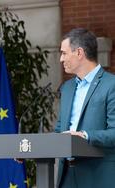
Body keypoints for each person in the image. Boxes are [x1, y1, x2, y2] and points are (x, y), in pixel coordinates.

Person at [55, 28, 115, 188]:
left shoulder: (111, 85)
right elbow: (59, 131)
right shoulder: (66, 88)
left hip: (98, 176)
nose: (61, 59)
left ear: (79, 53)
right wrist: (32, 151)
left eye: (64, 53)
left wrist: (84, 135)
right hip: (67, 176)